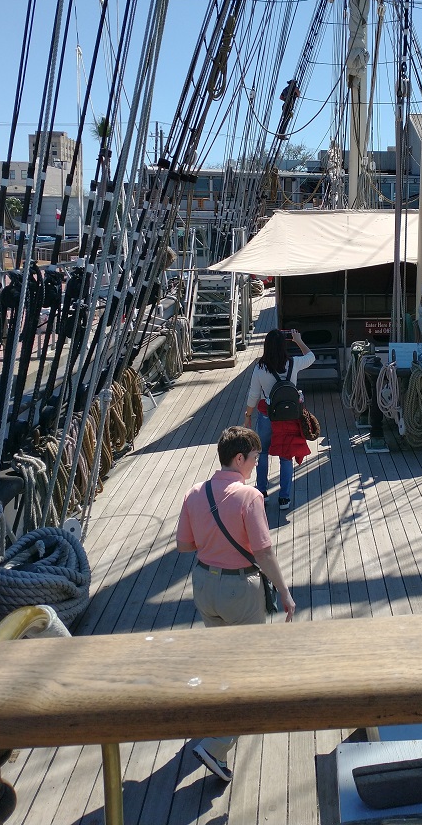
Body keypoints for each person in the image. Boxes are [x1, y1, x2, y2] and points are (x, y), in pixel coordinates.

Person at [176, 425, 295, 782]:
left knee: (224, 659)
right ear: (240, 458)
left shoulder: (194, 493)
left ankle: (217, 721)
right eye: (255, 458)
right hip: (239, 590)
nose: (257, 464)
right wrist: (284, 593)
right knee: (249, 670)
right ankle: (217, 746)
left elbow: (184, 545)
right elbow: (263, 552)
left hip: (204, 585)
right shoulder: (249, 497)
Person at [244, 328, 315, 510]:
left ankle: (262, 492)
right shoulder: (294, 363)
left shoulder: (260, 368)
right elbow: (311, 357)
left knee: (262, 453)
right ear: (284, 346)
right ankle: (284, 498)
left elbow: (253, 395)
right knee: (286, 456)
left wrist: (248, 415)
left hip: (268, 416)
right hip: (289, 418)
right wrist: (298, 340)